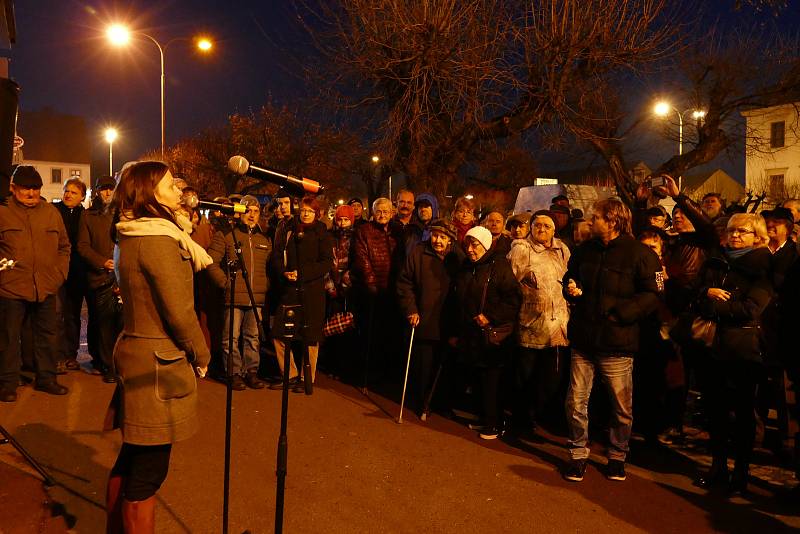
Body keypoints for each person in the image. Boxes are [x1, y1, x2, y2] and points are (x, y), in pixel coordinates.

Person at [104, 161, 212, 531]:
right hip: (157, 360)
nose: (177, 191)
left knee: (133, 456)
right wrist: (202, 353)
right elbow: (179, 311)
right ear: (149, 193)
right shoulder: (158, 239)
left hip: (139, 352)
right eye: (169, 185)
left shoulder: (135, 232)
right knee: (148, 470)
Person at [562, 198, 661, 482]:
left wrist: (622, 314)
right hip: (583, 339)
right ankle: (578, 453)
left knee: (620, 406)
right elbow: (571, 276)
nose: (590, 223)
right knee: (575, 401)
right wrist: (571, 287)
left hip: (618, 343)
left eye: (596, 218)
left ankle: (617, 455)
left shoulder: (640, 254)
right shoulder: (584, 251)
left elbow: (653, 293)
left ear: (613, 220)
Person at [694, 213, 772, 495]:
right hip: (712, 345)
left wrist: (714, 305)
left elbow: (751, 308)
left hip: (745, 349)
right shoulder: (717, 260)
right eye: (731, 230)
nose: (735, 235)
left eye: (742, 231)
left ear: (758, 237)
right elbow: (697, 294)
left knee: (742, 413)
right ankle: (717, 466)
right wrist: (706, 293)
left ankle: (741, 472)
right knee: (715, 409)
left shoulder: (764, 266)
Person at [0, 166, 71, 402]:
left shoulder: (51, 213)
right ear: (13, 188)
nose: (31, 193)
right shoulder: (2, 211)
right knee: (9, 338)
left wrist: (59, 274)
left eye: (35, 188)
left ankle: (46, 379)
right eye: (25, 188)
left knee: (48, 335)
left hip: (47, 286)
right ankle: (8, 383)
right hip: (11, 287)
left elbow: (64, 247)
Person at [452, 226, 521, 439]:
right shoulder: (467, 266)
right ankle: (485, 418)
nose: (471, 249)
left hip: (492, 334)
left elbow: (513, 299)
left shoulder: (499, 266)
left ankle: (495, 423)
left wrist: (490, 315)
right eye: (468, 245)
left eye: (475, 245)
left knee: (492, 381)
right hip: (472, 333)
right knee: (479, 379)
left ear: (486, 244)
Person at [508, 211, 570, 434]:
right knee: (525, 378)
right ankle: (522, 421)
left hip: (558, 326)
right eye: (537, 226)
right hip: (531, 325)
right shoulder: (521, 249)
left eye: (546, 226)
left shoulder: (562, 249)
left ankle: (540, 416)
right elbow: (512, 281)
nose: (541, 230)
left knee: (552, 378)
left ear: (554, 229)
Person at [396, 218, 460, 419]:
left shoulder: (457, 257)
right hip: (424, 319)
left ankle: (442, 402)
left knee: (446, 366)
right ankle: (422, 402)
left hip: (449, 321)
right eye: (435, 235)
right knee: (424, 365)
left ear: (450, 239)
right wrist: (411, 309)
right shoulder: (418, 253)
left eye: (442, 237)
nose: (438, 240)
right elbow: (404, 283)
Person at [206, 195, 271, 390]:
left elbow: (269, 267)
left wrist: (265, 285)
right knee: (231, 338)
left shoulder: (264, 237)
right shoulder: (226, 235)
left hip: (255, 298)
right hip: (233, 296)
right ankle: (233, 373)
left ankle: (251, 372)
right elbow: (211, 262)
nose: (252, 215)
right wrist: (225, 283)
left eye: (256, 211)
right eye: (248, 211)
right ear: (240, 212)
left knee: (252, 337)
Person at [269, 195, 333, 391]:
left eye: (310, 211)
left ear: (316, 213)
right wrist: (283, 273)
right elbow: (277, 255)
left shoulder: (322, 233)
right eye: (303, 210)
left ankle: (307, 377)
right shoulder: (288, 230)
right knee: (279, 334)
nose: (306, 214)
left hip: (312, 292)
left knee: (310, 336)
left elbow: (326, 262)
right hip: (289, 290)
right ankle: (289, 374)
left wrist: (302, 274)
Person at [77, 175, 122, 383]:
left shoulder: (122, 214)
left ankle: (114, 362)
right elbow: (83, 246)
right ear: (97, 191)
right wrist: (103, 261)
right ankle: (106, 364)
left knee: (118, 324)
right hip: (99, 277)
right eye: (103, 189)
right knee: (102, 323)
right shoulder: (88, 216)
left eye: (110, 189)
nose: (107, 192)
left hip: (120, 277)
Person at [352, 197, 399, 382]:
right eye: (379, 211)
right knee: (369, 332)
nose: (382, 215)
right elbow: (362, 258)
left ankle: (384, 371)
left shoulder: (396, 232)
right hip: (372, 290)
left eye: (385, 212)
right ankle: (366, 371)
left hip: (391, 289)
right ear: (373, 212)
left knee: (386, 333)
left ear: (391, 213)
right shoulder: (364, 231)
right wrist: (371, 284)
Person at [54, 177, 88, 373]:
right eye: (67, 190)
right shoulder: (54, 211)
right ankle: (57, 356)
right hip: (57, 271)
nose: (68, 194)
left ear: (82, 197)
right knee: (56, 315)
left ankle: (70, 355)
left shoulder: (85, 216)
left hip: (77, 273)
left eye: (74, 192)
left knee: (73, 315)